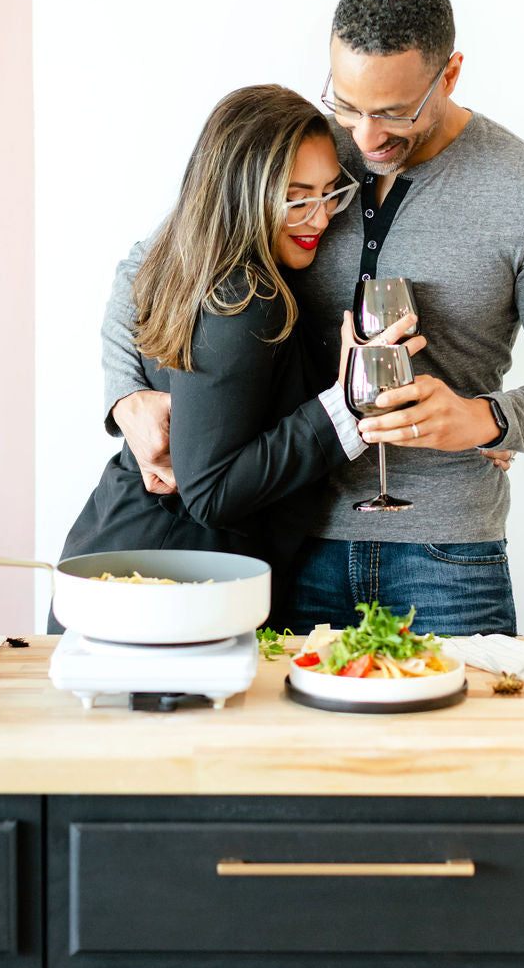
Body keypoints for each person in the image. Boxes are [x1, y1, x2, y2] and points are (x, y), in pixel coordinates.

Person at [102, 0, 524, 636]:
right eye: (346, 103)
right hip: (288, 542)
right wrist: (124, 398)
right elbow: (144, 271)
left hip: (447, 554)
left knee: (467, 740)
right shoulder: (303, 155)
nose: (366, 137)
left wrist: (488, 417)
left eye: (395, 112)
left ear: (450, 74)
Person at [54, 83, 423, 632]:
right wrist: (349, 403)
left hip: (129, 569)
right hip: (159, 591)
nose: (319, 219)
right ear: (239, 196)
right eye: (296, 199)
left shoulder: (194, 262)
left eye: (330, 194)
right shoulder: (246, 298)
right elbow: (211, 493)